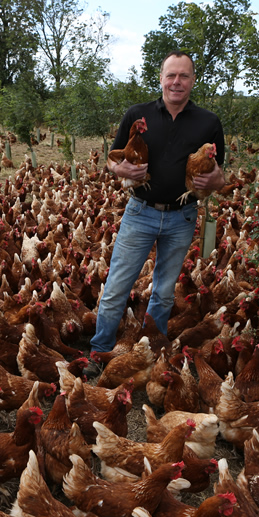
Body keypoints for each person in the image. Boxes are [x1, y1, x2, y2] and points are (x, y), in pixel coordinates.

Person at [84, 50, 226, 378]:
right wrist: (121, 170)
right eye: (171, 75)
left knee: (163, 291)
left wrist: (215, 179)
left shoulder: (209, 122)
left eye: (184, 76)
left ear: (193, 80)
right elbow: (111, 159)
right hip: (141, 211)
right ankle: (99, 349)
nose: (177, 82)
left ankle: (153, 350)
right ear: (161, 78)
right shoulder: (138, 113)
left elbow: (222, 175)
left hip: (182, 215)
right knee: (118, 284)